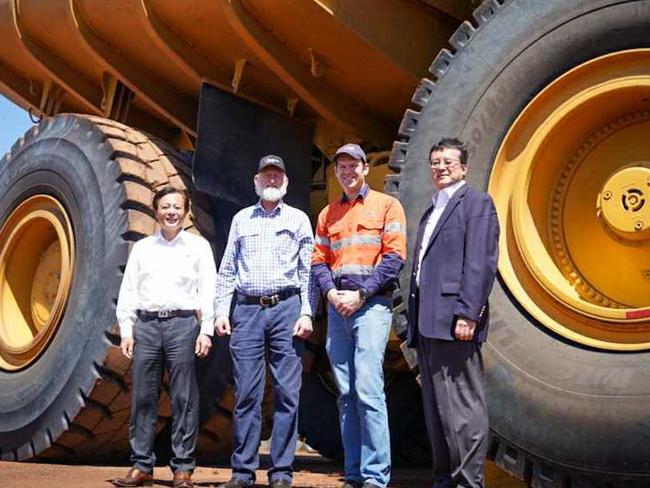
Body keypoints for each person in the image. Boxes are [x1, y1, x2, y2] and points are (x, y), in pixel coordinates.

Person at [214, 155, 314, 488]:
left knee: (287, 393)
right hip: (247, 311)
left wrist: (307, 312)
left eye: (277, 176)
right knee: (246, 393)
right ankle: (242, 472)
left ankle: (282, 472)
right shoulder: (242, 220)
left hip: (286, 309)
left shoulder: (299, 220)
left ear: (285, 182)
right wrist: (220, 311)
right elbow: (227, 270)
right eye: (266, 176)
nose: (271, 181)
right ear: (256, 181)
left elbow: (307, 272)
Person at [311, 143, 406, 488]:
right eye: (341, 167)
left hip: (371, 307)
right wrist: (331, 293)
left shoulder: (387, 206)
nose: (347, 172)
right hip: (339, 310)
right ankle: (353, 473)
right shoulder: (327, 214)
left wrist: (362, 294)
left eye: (353, 166)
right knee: (347, 393)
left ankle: (376, 476)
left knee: (368, 390)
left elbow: (395, 258)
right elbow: (319, 261)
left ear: (366, 168)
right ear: (336, 171)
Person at [407, 137, 499, 488]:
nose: (440, 167)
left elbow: (480, 263)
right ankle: (443, 478)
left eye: (448, 161)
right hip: (427, 323)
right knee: (437, 411)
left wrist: (468, 313)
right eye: (435, 161)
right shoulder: (433, 208)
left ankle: (468, 482)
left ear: (463, 167)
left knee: (463, 408)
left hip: (453, 322)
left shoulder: (476, 204)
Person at [112, 186, 217, 488]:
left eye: (177, 207)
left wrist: (206, 329)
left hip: (183, 325)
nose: (171, 212)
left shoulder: (198, 247)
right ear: (156, 211)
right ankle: (141, 465)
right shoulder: (143, 248)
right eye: (165, 207)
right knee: (143, 397)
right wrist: (127, 329)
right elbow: (129, 290)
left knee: (184, 398)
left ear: (186, 212)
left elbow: (207, 290)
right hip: (146, 326)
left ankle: (183, 468)